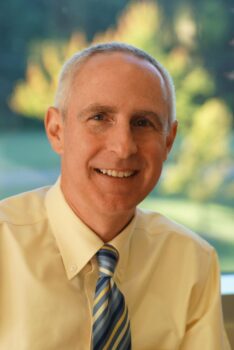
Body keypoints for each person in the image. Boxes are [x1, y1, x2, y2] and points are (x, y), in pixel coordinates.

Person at [0, 42, 230, 350]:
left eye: (143, 123)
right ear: (57, 131)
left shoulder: (192, 262)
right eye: (99, 117)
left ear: (168, 141)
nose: (124, 147)